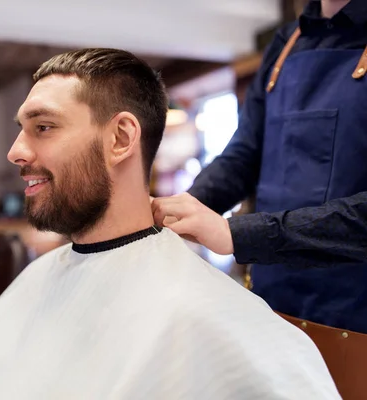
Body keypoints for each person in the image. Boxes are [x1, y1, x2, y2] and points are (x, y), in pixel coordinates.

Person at [0, 49, 340, 400]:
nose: (15, 151)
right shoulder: (46, 272)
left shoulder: (202, 316)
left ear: (120, 139)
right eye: (22, 128)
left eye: (43, 127)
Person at [152, 0, 367, 333]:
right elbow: (244, 154)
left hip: (354, 316)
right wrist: (182, 209)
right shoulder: (285, 44)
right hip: (272, 307)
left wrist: (236, 234)